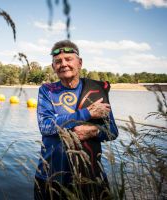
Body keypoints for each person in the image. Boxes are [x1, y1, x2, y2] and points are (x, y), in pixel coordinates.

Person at [34, 40, 119, 200]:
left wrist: (93, 131)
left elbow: (113, 131)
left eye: (68, 59)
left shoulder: (96, 91)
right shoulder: (47, 91)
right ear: (53, 67)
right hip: (50, 177)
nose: (63, 64)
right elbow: (45, 126)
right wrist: (86, 113)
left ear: (79, 63)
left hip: (89, 177)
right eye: (58, 61)